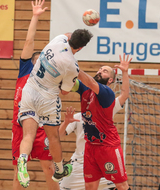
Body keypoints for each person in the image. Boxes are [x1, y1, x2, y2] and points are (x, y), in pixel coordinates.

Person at [17, 12, 93, 187]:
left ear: (70, 37)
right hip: (48, 98)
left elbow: (67, 35)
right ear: (81, 48)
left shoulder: (58, 39)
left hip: (30, 89)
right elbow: (65, 92)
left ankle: (22, 159)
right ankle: (59, 169)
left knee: (28, 134)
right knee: (53, 137)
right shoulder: (72, 66)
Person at [59, 54, 130, 190]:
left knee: (121, 185)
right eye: (99, 69)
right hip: (90, 147)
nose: (100, 71)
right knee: (90, 186)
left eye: (105, 71)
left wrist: (72, 65)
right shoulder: (86, 89)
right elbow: (69, 86)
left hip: (107, 145)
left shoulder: (106, 92)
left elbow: (91, 82)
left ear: (110, 80)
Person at [12, 1, 60, 189]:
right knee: (18, 173)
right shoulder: (25, 70)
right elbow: (28, 42)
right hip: (21, 125)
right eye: (37, 58)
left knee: (50, 169)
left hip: (42, 125)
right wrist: (35, 16)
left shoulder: (49, 78)